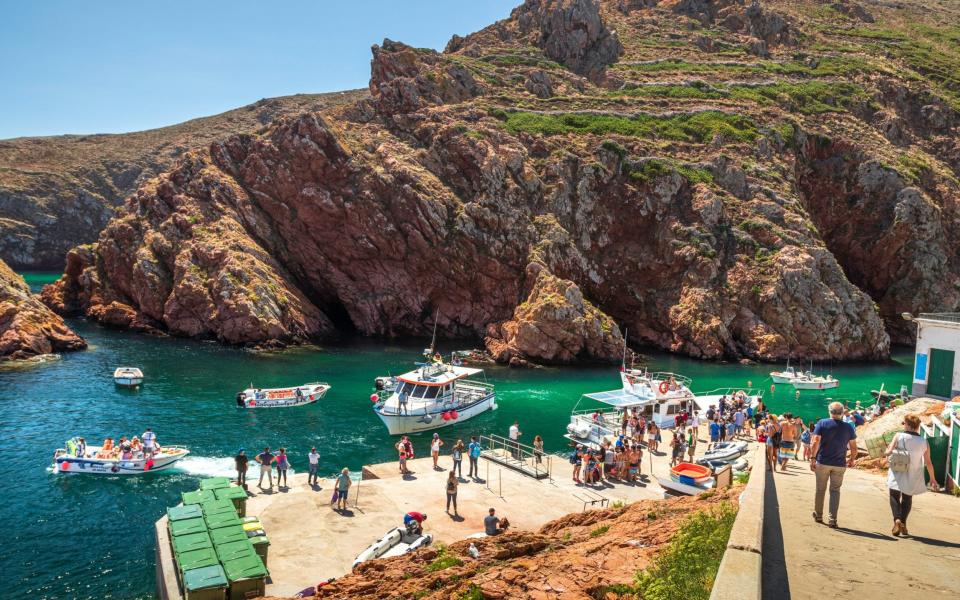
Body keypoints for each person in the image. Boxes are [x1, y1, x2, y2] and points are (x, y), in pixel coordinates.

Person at [885, 414, 939, 536]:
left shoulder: (898, 436)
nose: (903, 426)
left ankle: (897, 520)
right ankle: (903, 523)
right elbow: (929, 462)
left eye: (904, 423)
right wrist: (932, 479)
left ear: (909, 425)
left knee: (894, 495)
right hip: (914, 473)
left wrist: (886, 451)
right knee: (907, 498)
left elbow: (888, 452)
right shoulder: (924, 442)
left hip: (897, 470)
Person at [810, 402, 859, 528]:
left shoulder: (822, 423)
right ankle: (833, 519)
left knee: (820, 490)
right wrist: (852, 459)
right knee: (835, 491)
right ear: (842, 413)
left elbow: (815, 442)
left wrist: (813, 458)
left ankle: (819, 515)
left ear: (829, 411)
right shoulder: (849, 427)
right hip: (839, 464)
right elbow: (854, 447)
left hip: (823, 462)